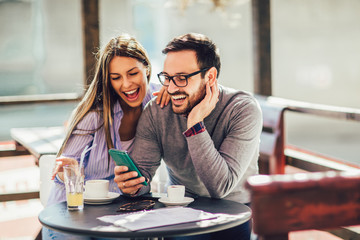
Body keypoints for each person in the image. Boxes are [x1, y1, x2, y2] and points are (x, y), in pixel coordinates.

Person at [114, 33, 263, 239]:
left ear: (210, 77)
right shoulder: (157, 111)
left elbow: (220, 188)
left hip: (233, 212)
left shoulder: (242, 109)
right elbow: (143, 177)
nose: (172, 88)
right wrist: (132, 185)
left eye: (182, 78)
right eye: (167, 77)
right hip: (180, 209)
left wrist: (194, 123)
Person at [44, 33, 169, 239]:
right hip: (73, 215)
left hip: (121, 214)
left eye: (132, 73)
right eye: (116, 77)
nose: (126, 84)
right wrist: (67, 171)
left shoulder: (158, 101)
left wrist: (174, 95)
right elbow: (62, 175)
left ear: (146, 67)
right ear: (108, 80)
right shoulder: (94, 115)